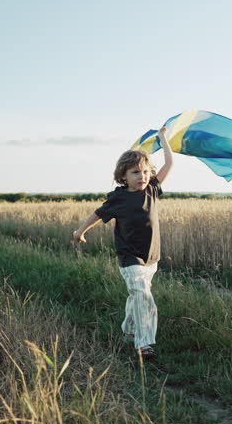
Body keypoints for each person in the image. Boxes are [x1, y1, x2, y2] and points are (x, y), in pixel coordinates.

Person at [73, 127, 173, 361]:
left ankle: (128, 331)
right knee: (144, 297)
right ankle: (144, 343)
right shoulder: (118, 197)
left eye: (146, 171)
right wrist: (80, 231)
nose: (142, 176)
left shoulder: (152, 191)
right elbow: (98, 214)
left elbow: (169, 164)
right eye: (136, 172)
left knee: (137, 295)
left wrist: (163, 140)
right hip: (130, 258)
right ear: (123, 176)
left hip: (151, 257)